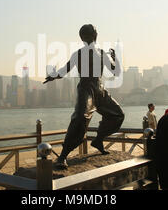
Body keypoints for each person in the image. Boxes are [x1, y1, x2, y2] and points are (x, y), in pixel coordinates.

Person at [43, 24, 125, 169]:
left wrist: (115, 58)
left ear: (95, 36)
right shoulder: (78, 54)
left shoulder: (102, 53)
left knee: (118, 115)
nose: (89, 38)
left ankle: (98, 140)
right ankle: (62, 156)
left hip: (100, 89)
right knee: (80, 118)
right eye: (85, 36)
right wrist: (53, 76)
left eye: (90, 35)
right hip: (86, 89)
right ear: (82, 38)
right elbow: (64, 70)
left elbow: (116, 72)